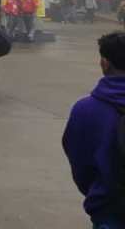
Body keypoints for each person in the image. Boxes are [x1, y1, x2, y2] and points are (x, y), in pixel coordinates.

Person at [62, 31, 125, 229]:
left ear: (104, 63)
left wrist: (99, 189)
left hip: (110, 209)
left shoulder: (85, 110)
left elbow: (81, 166)